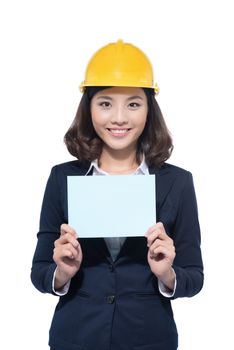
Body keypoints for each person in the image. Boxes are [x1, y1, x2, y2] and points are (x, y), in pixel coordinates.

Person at [31, 39, 204, 350]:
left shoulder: (177, 182)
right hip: (75, 337)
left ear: (150, 109)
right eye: (106, 103)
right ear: (89, 108)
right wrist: (61, 273)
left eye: (134, 103)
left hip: (149, 339)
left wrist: (167, 275)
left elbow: (194, 277)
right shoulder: (62, 177)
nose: (120, 118)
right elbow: (39, 271)